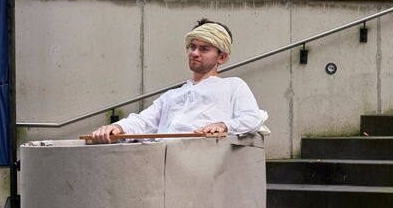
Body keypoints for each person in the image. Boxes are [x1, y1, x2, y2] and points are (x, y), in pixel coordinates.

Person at [90, 19, 268, 143]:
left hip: (206, 167)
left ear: (221, 57)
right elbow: (143, 121)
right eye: (192, 47)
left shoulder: (233, 86)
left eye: (204, 49)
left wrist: (223, 125)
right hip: (163, 164)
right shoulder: (172, 95)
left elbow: (252, 119)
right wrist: (117, 128)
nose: (194, 53)